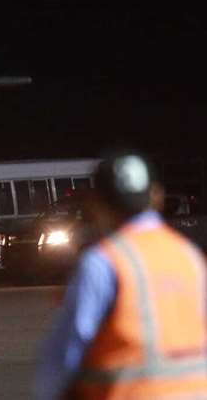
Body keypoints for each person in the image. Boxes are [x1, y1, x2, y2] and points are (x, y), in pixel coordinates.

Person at [35, 153, 207, 399]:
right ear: (156, 196)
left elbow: (63, 358)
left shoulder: (103, 263)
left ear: (97, 203)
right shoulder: (189, 257)